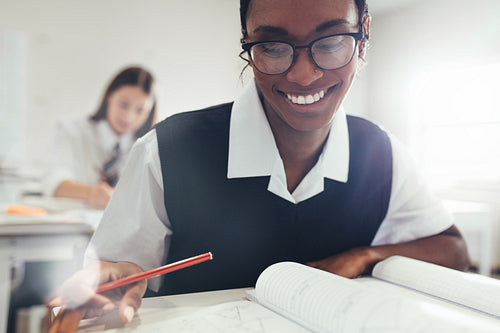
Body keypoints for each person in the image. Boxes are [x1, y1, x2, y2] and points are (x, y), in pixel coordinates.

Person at [47, 0, 469, 331]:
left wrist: (364, 256)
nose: (304, 75)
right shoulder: (166, 150)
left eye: (331, 40)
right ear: (248, 45)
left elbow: (452, 249)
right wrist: (115, 278)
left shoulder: (381, 151)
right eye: (271, 45)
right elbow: (116, 276)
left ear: (364, 34)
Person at [43, 66, 157, 209]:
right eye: (124, 105)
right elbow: (53, 183)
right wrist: (91, 192)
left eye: (140, 110)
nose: (129, 117)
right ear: (109, 97)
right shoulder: (73, 130)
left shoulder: (148, 146)